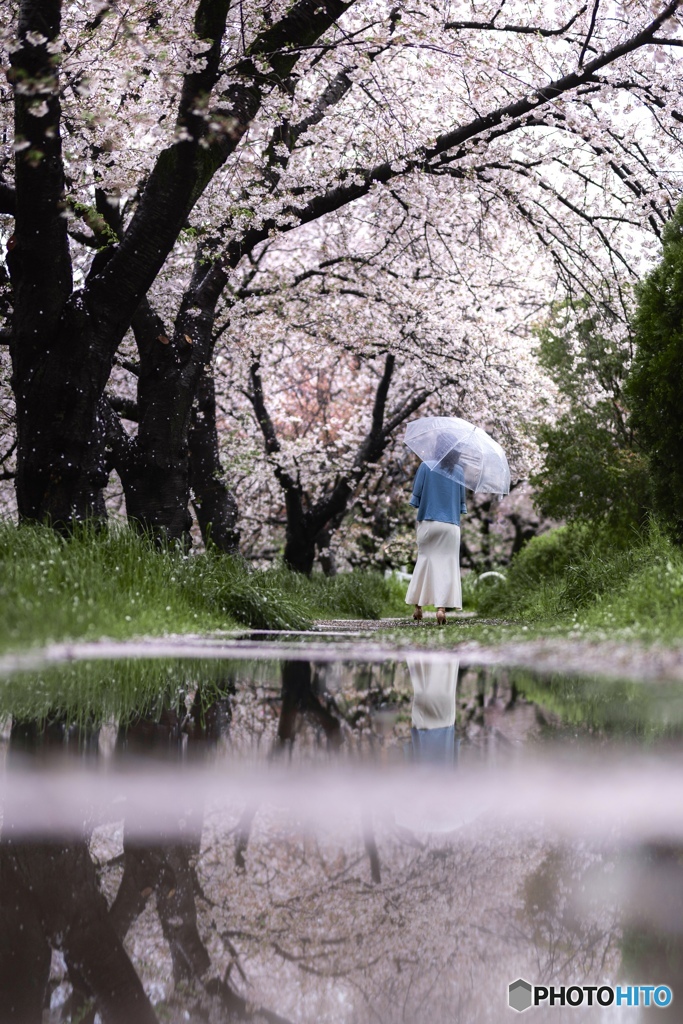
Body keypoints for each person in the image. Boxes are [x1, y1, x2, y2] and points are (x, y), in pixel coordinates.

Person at [405, 454, 467, 625]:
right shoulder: (460, 471)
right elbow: (462, 503)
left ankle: (418, 608)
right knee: (447, 565)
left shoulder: (426, 466)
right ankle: (441, 609)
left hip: (429, 521)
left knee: (424, 561)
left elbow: (415, 497)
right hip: (451, 525)